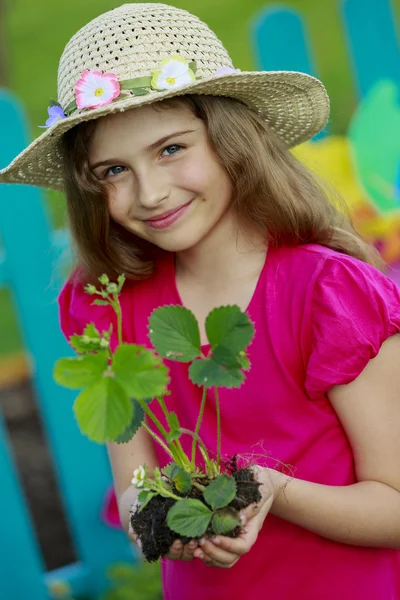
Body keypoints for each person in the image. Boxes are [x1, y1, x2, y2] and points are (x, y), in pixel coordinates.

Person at [1, 3, 399, 599]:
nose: (151, 193)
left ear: (230, 139)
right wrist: (168, 526)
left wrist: (272, 490)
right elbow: (139, 504)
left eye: (170, 149)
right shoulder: (109, 308)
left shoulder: (328, 294)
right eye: (113, 169)